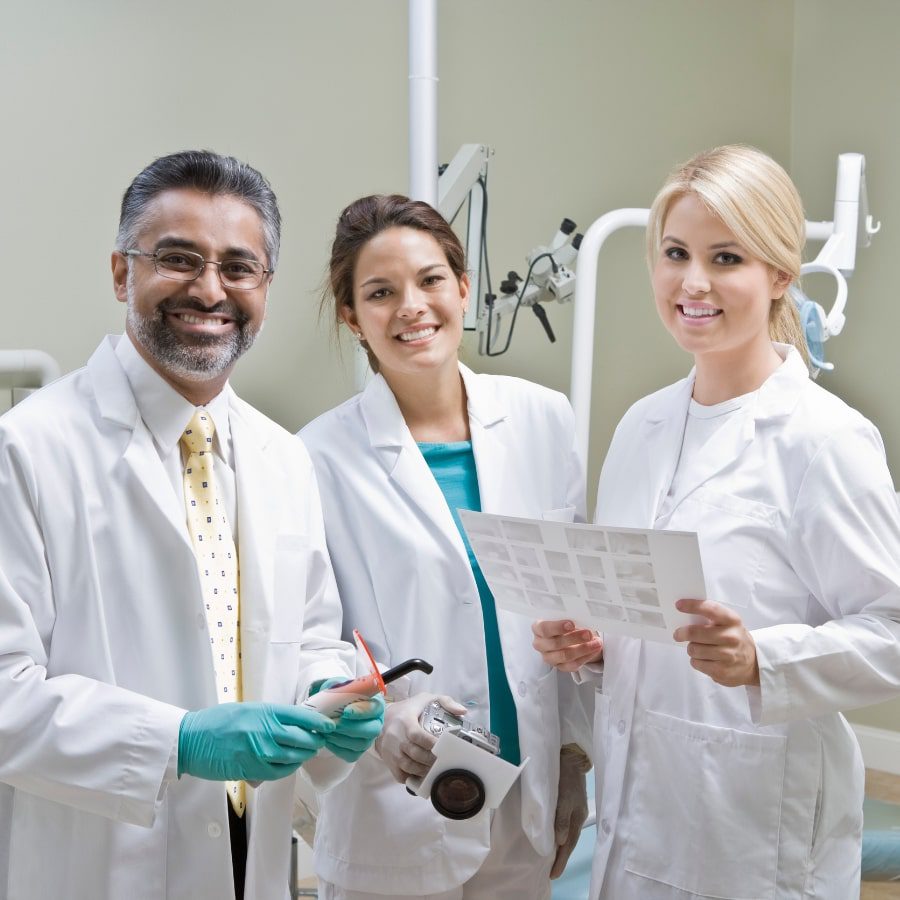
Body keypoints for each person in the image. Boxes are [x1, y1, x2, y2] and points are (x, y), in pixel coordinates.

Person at [0, 150, 383, 900]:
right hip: (98, 863)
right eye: (178, 259)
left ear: (265, 287)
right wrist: (176, 742)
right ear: (122, 273)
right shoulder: (28, 449)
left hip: (251, 856)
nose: (211, 290)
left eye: (240, 268)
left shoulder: (281, 457)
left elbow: (306, 635)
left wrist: (332, 691)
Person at [532, 144, 900, 899]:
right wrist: (599, 648)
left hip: (755, 831)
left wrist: (763, 658)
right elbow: (651, 612)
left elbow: (892, 627)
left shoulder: (824, 439)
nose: (692, 282)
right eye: (675, 254)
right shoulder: (641, 426)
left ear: (779, 276)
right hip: (644, 807)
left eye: (725, 257)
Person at [299, 194, 593, 899]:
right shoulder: (316, 456)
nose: (411, 306)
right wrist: (379, 722)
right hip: (393, 804)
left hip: (525, 797)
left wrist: (574, 758)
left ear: (463, 288)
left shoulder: (544, 420)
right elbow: (310, 638)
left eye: (431, 280)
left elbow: (574, 605)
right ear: (352, 317)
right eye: (379, 292)